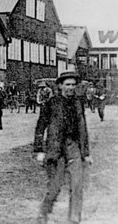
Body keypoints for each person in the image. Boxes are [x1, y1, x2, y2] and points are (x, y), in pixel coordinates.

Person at [34, 70, 92, 224]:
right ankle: (43, 213)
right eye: (67, 84)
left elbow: (82, 128)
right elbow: (40, 127)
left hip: (73, 147)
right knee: (55, 186)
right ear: (60, 86)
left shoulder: (78, 103)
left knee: (77, 185)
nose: (70, 88)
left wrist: (86, 153)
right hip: (55, 149)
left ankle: (74, 219)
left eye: (73, 84)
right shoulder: (51, 104)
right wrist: (39, 150)